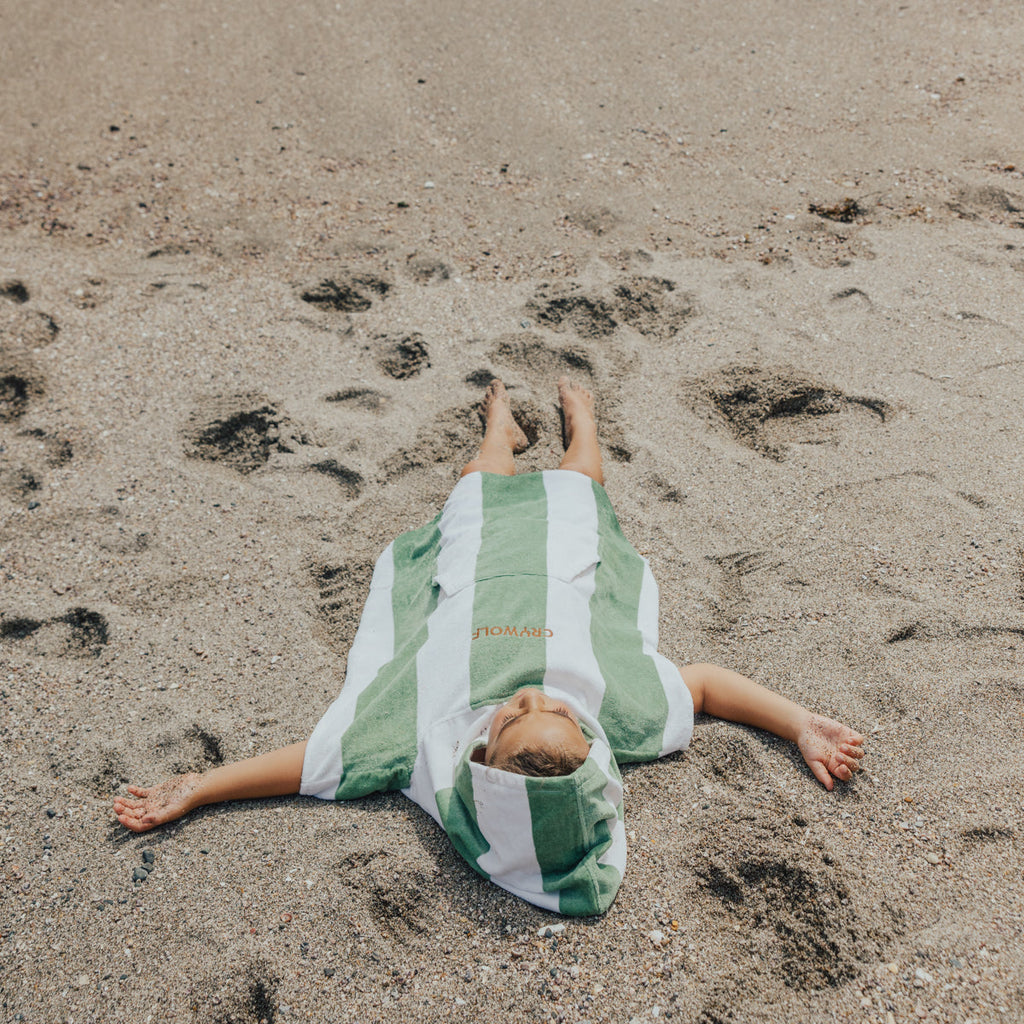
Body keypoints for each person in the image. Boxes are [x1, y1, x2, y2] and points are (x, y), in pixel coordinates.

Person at [114, 378, 865, 915]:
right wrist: (798, 721)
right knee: (578, 496)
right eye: (559, 714)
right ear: (589, 742)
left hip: (475, 575)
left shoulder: (420, 748)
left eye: (511, 720)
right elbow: (704, 688)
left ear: (480, 761)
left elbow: (306, 767)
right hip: (559, 568)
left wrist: (200, 787)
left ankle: (500, 434)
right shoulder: (627, 721)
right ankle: (582, 427)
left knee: (474, 496)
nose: (532, 695)